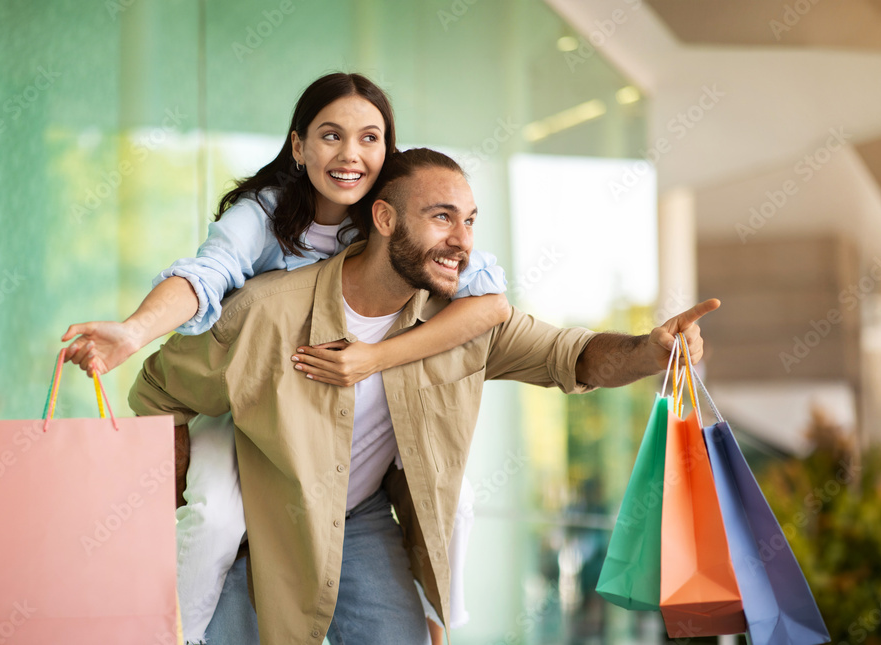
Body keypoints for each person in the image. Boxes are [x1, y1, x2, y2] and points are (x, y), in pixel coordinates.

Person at [127, 147, 720, 644]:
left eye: (469, 221)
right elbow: (158, 388)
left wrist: (650, 351)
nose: (462, 240)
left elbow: (574, 355)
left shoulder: (464, 324)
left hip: (359, 525)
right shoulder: (268, 311)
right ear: (383, 219)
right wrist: (184, 498)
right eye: (442, 218)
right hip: (259, 529)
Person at [61, 73, 508, 644]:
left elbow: (490, 302)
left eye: (370, 138)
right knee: (217, 520)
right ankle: (180, 634)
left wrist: (376, 357)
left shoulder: (395, 221)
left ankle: (438, 623)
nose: (350, 155)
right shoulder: (266, 212)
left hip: (347, 413)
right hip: (253, 403)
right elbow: (207, 273)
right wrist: (133, 331)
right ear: (298, 146)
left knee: (454, 495)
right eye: (330, 136)